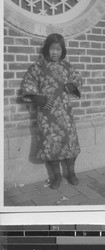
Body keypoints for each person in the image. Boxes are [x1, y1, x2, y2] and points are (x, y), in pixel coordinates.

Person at [22, 33, 83, 190]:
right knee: (50, 145)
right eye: (52, 49)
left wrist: (72, 86)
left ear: (62, 50)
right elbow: (29, 82)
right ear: (46, 49)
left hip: (64, 112)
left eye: (58, 49)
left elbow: (78, 78)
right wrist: (37, 98)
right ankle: (56, 177)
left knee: (70, 142)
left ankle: (71, 173)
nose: (55, 52)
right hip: (47, 113)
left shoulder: (67, 66)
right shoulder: (37, 67)